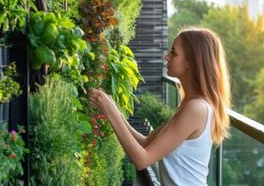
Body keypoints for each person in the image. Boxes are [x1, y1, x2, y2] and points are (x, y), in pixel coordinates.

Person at [88, 27, 231, 186]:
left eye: (174, 53)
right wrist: (113, 110)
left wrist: (111, 112)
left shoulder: (196, 108)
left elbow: (142, 160)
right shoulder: (192, 105)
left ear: (192, 61)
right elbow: (146, 143)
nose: (167, 57)